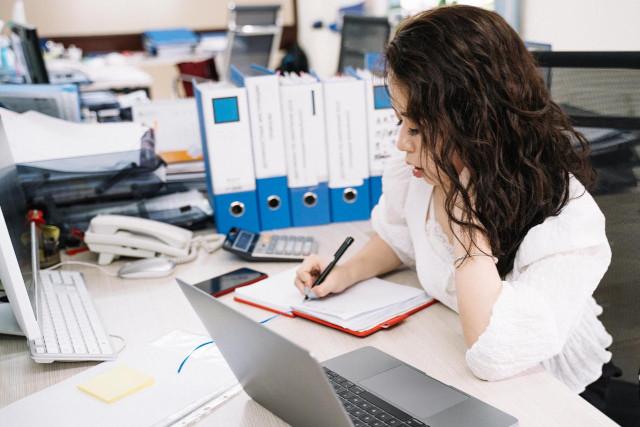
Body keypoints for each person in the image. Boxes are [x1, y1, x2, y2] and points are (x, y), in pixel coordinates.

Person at [295, 5, 613, 398]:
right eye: (400, 122)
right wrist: (345, 272)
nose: (401, 143)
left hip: (554, 392)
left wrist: (468, 232)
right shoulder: (422, 171)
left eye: (416, 128)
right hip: (457, 366)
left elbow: (492, 353)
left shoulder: (567, 222)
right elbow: (400, 241)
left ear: (476, 125)